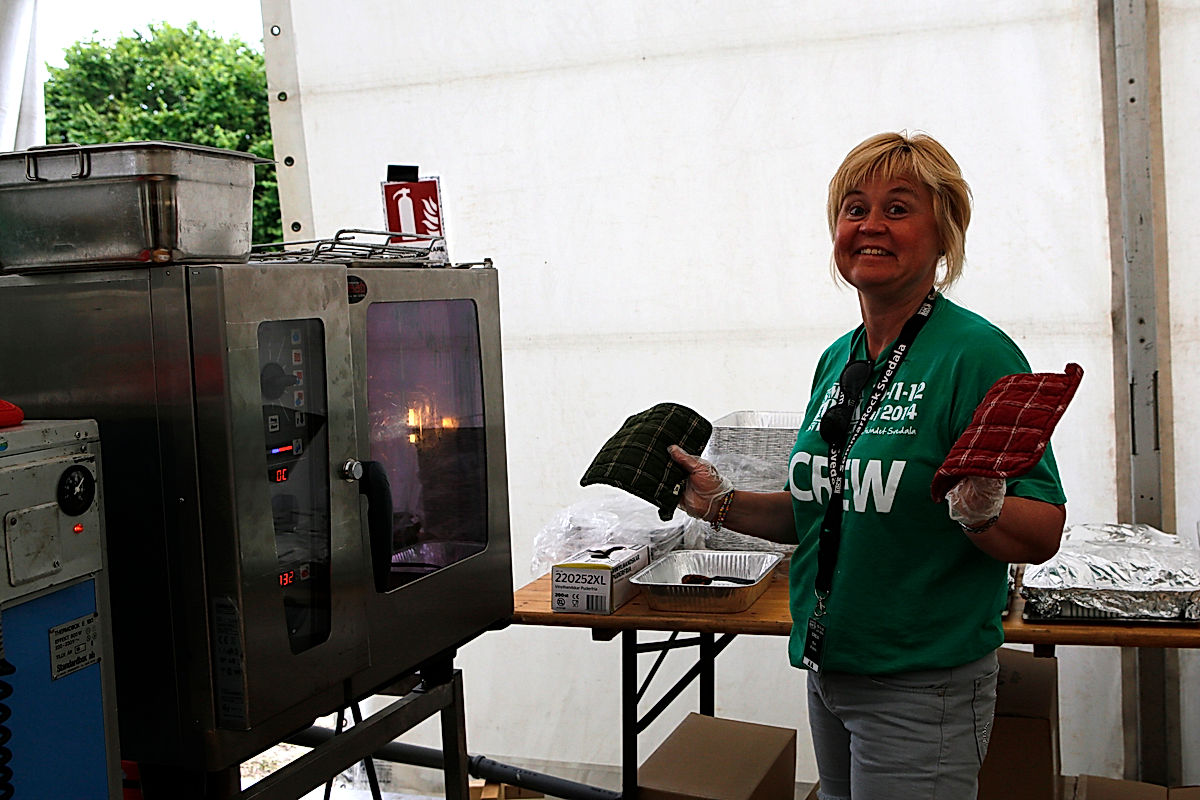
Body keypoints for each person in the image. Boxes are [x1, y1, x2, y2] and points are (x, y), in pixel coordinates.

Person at [669, 131, 1067, 800]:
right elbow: (820, 510)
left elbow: (1044, 527)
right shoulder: (840, 359)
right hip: (832, 668)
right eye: (854, 208)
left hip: (922, 683)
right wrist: (719, 501)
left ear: (944, 236)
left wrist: (985, 512)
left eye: (899, 207)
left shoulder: (975, 355)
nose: (871, 225)